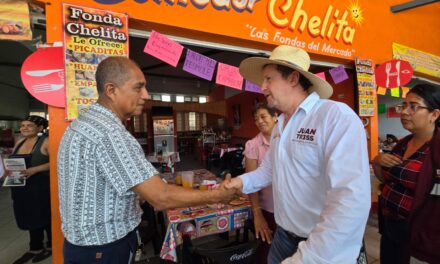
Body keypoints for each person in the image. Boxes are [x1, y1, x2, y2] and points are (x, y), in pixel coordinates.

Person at [57, 57, 236, 264]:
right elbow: (161, 197)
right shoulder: (110, 133)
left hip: (83, 246)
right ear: (111, 90)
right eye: (138, 88)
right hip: (104, 250)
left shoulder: (83, 123)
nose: (146, 95)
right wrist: (215, 197)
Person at [224, 45, 371, 263]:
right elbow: (269, 170)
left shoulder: (334, 117)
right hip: (284, 236)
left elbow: (350, 200)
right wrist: (239, 182)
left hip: (324, 246)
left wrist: (309, 257)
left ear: (293, 78)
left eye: (268, 79)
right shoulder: (281, 124)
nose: (262, 87)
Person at [372, 84, 440, 264]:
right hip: (390, 224)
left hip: (419, 229)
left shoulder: (436, 150)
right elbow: (386, 180)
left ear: (434, 115)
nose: (404, 112)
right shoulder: (402, 144)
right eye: (404, 105)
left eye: (414, 106)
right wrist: (378, 162)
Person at [7, 116, 52, 264]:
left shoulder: (46, 142)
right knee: (28, 215)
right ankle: (35, 247)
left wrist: (35, 169)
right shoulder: (19, 142)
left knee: (44, 216)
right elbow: (13, 161)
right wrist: (9, 171)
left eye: (29, 125)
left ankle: (51, 246)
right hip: (21, 187)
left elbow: (57, 162)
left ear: (39, 128)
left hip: (40, 186)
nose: (24, 128)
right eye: (22, 125)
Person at [244, 103, 278, 263]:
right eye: (256, 119)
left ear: (275, 116)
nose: (259, 121)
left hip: (291, 208)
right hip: (268, 209)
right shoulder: (253, 145)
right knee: (267, 252)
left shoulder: (287, 138)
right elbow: (251, 181)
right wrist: (257, 214)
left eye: (263, 116)